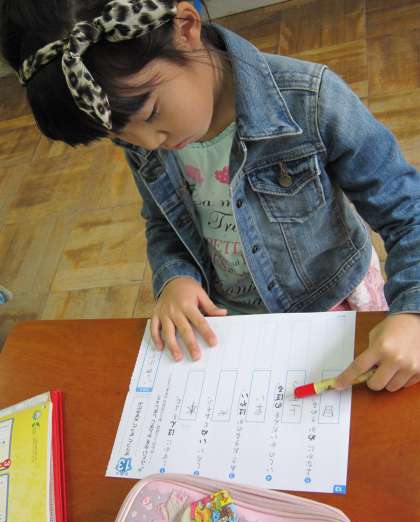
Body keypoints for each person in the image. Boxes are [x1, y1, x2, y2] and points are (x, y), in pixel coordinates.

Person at [2, 0, 420, 392]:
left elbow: (407, 212)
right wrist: (176, 277)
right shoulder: (142, 134)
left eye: (151, 113)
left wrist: (412, 314)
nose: (150, 143)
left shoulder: (311, 101)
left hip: (328, 308)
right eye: (119, 137)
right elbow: (164, 221)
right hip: (229, 322)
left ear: (186, 28)